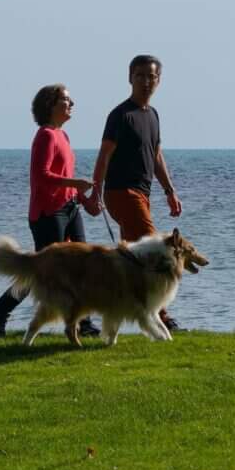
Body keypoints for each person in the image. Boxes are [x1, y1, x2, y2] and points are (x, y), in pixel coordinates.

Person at [0, 84, 99, 339]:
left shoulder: (63, 136)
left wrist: (85, 200)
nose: (71, 104)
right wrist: (75, 184)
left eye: (70, 100)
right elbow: (42, 176)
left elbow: (66, 178)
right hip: (48, 213)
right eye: (66, 100)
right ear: (50, 105)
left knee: (84, 263)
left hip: (70, 208)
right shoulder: (45, 135)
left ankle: (83, 323)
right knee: (43, 272)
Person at [87, 53, 186, 330]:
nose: (146, 81)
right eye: (140, 76)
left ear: (159, 80)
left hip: (143, 194)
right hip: (121, 192)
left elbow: (155, 154)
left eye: (151, 76)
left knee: (129, 261)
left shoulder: (152, 115)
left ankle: (116, 311)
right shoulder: (121, 115)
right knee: (157, 250)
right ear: (130, 78)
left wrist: (169, 190)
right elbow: (104, 155)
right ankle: (162, 317)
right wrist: (96, 192)